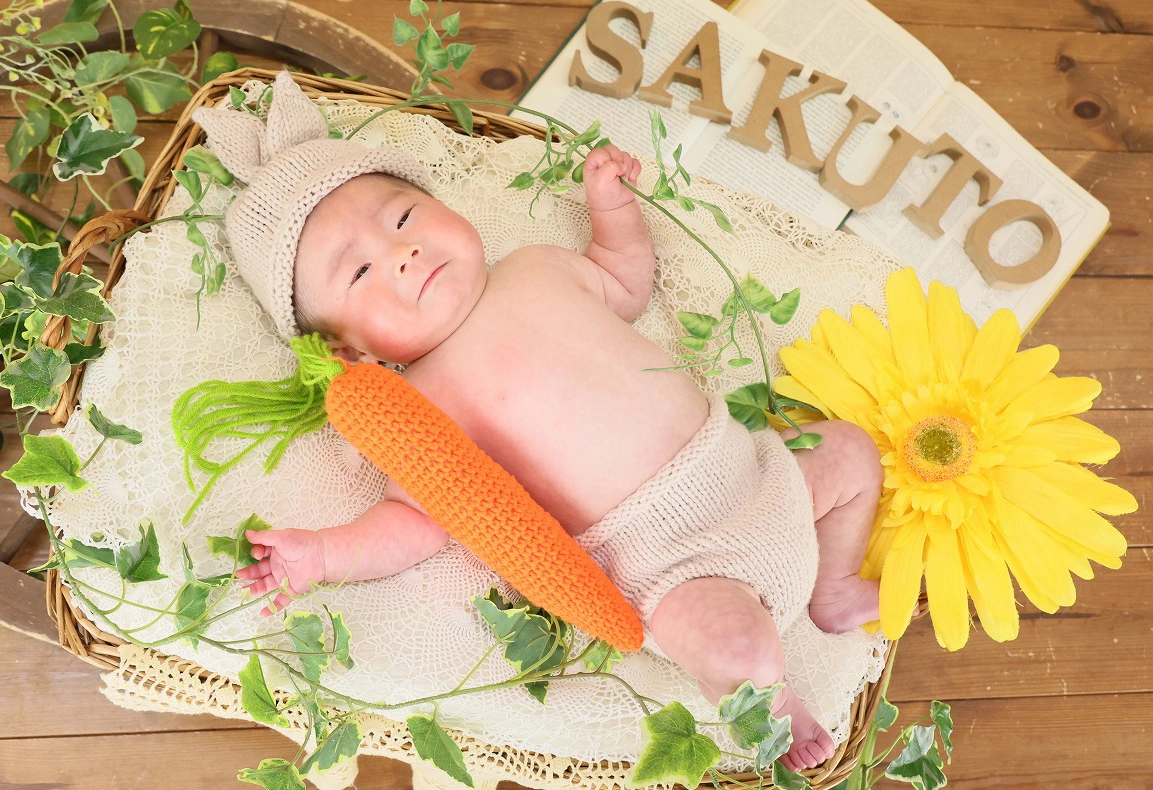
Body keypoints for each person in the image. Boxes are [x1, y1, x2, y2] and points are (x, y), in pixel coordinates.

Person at [193, 72, 882, 772]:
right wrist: (322, 555)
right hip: (670, 564)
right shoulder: (420, 409)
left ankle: (831, 588)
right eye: (361, 272)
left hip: (753, 472)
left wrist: (611, 210)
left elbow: (623, 281)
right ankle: (768, 698)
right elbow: (417, 520)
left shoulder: (536, 265)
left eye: (403, 219)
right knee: (738, 649)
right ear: (350, 352)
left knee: (852, 452)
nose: (402, 252)